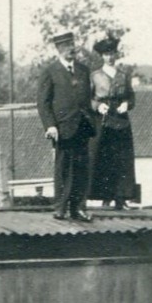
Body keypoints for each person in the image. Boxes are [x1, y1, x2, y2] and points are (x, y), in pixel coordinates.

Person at [37, 30, 95, 222]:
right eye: (66, 46)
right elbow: (43, 103)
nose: (71, 49)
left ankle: (78, 207)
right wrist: (50, 126)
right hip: (62, 127)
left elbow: (87, 98)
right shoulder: (50, 72)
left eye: (72, 45)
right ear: (58, 49)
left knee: (81, 167)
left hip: (83, 125)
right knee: (63, 167)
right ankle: (60, 207)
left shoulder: (84, 70)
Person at [87, 35, 137, 209]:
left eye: (112, 53)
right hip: (103, 121)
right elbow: (88, 99)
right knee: (104, 158)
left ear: (117, 54)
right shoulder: (95, 76)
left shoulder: (124, 76)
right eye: (106, 54)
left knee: (122, 159)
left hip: (121, 120)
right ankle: (105, 197)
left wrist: (127, 104)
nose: (110, 57)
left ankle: (121, 197)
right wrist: (97, 106)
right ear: (102, 56)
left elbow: (131, 97)